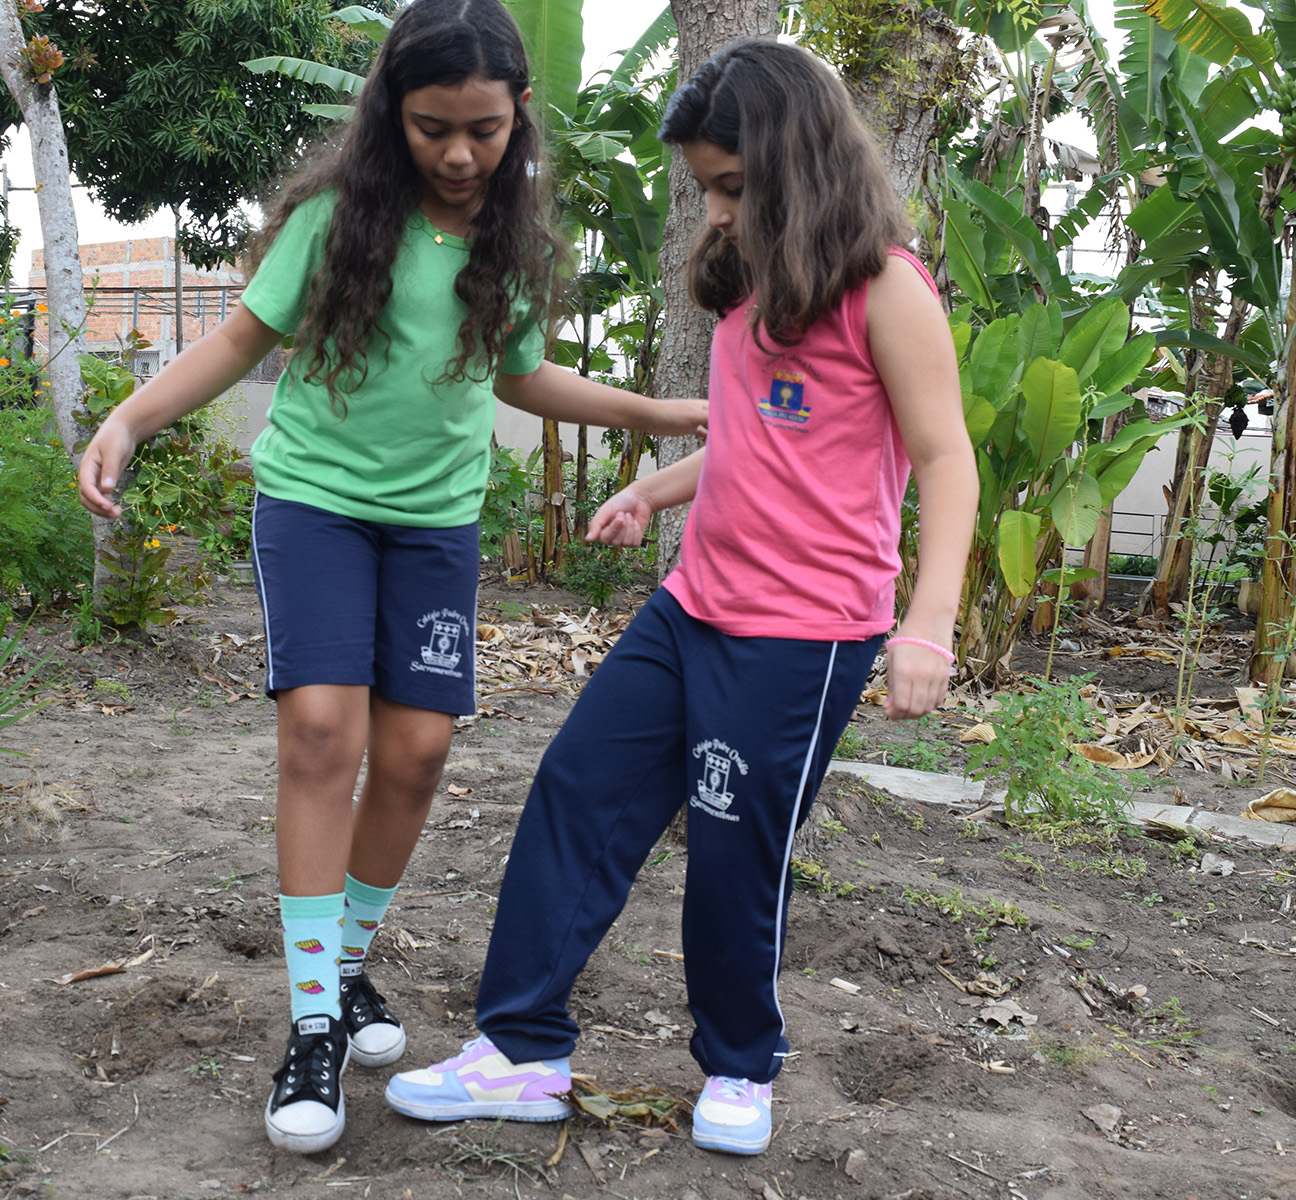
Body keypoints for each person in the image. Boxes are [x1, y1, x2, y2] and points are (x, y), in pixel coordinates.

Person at [76, 0, 706, 1157]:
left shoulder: (510, 239)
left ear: (519, 114)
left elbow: (519, 376)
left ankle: (346, 966)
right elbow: (238, 341)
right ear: (390, 116)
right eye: (431, 129)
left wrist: (653, 412)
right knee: (323, 732)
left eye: (483, 129)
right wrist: (128, 419)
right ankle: (314, 1025)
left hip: (434, 527)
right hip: (314, 507)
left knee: (414, 753)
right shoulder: (335, 219)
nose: (460, 154)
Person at [384, 37, 978, 1157]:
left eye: (733, 187)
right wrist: (652, 491)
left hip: (804, 635)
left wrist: (929, 628)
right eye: (708, 188)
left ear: (798, 166)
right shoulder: (752, 281)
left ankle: (741, 1064)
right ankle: (520, 1049)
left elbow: (947, 460)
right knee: (578, 788)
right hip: (694, 603)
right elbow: (755, 441)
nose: (717, 212)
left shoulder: (884, 288)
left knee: (734, 846)